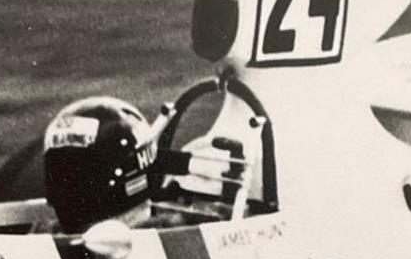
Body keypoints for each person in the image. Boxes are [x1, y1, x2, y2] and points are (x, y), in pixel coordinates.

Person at [40, 95, 254, 233]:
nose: (68, 183)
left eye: (82, 172)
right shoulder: (46, 234)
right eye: (60, 170)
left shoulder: (172, 231)